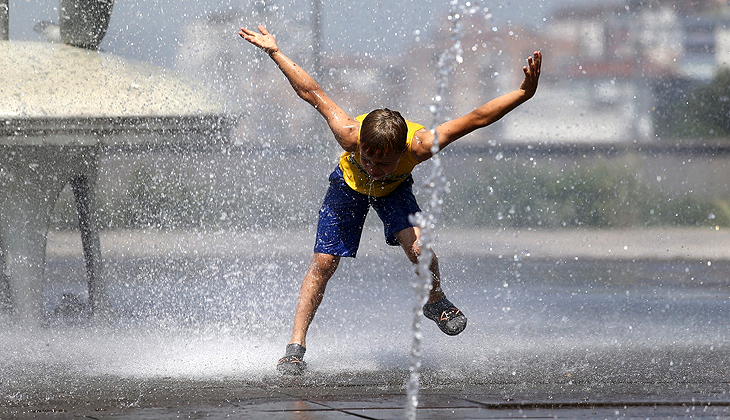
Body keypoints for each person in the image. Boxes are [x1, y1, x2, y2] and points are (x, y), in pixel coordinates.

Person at [238, 24, 542, 375]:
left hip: (396, 191)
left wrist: (523, 94)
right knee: (324, 262)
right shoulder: (349, 134)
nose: (374, 167)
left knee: (419, 249)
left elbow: (476, 118)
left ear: (402, 152)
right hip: (347, 187)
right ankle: (295, 347)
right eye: (368, 159)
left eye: (383, 162)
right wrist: (275, 52)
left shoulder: (421, 145)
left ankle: (436, 301)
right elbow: (311, 92)